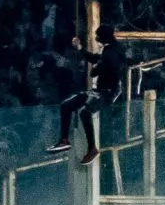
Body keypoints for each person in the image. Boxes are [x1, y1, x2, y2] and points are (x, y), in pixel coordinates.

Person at [51, 25, 125, 162]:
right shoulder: (109, 50)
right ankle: (64, 140)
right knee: (66, 105)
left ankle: (92, 148)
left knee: (85, 113)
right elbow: (95, 59)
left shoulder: (112, 53)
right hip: (98, 91)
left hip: (107, 93)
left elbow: (102, 70)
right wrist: (80, 48)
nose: (96, 39)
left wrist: (98, 68)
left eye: (98, 36)